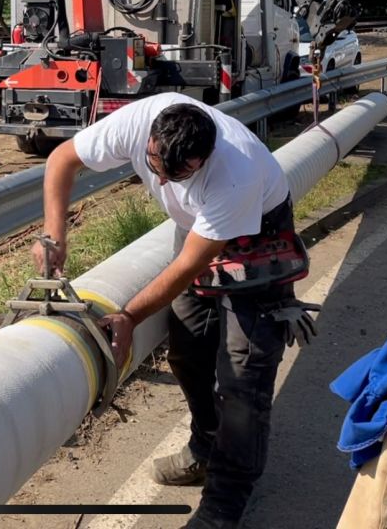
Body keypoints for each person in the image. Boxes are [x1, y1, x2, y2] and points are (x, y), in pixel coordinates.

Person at [33, 92, 319, 529]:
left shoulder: (235, 175)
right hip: (195, 228)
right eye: (155, 168)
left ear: (205, 158)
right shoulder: (137, 122)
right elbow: (61, 159)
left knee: (243, 379)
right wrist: (55, 233)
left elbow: (188, 266)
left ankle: (224, 503)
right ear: (151, 138)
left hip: (257, 239)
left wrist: (129, 316)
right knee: (187, 350)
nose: (163, 184)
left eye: (178, 175)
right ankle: (205, 446)